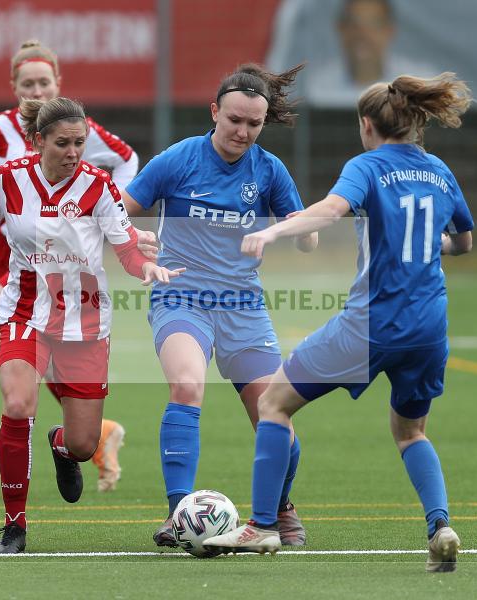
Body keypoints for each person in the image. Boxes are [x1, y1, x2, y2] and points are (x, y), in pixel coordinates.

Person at [203, 73, 474, 574]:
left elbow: (329, 211)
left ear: (367, 125)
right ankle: (441, 526)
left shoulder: (367, 166)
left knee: (273, 404)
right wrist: (431, 246)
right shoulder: (439, 170)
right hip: (430, 326)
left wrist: (274, 230)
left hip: (372, 325)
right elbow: (463, 242)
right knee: (412, 431)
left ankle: (263, 526)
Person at [0, 97, 183, 554]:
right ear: (38, 141)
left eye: (80, 143)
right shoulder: (9, 180)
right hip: (25, 311)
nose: (73, 152)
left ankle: (62, 447)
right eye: (63, 143)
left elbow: (126, 249)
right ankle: (14, 525)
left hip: (85, 323)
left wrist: (146, 268)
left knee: (86, 443)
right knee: (17, 404)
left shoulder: (99, 187)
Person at [119, 63, 318, 548]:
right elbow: (120, 209)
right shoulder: (179, 159)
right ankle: (178, 513)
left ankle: (279, 509)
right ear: (215, 112)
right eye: (234, 120)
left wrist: (304, 228)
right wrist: (134, 243)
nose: (243, 132)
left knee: (275, 413)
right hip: (181, 295)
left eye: (253, 124)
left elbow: (306, 237)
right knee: (187, 385)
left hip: (243, 306)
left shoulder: (270, 170)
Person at [0, 40, 138, 493]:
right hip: (16, 266)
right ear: (13, 87)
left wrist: (115, 215)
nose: (36, 91)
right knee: (17, 371)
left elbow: (126, 162)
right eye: (27, 83)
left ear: (57, 83)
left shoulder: (74, 132)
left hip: (61, 277)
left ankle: (81, 437)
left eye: (43, 82)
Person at [266, 0, 433, 107]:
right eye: (354, 23)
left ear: (389, 31)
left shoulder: (420, 83)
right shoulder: (320, 84)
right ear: (341, 30)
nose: (362, 33)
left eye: (373, 24)